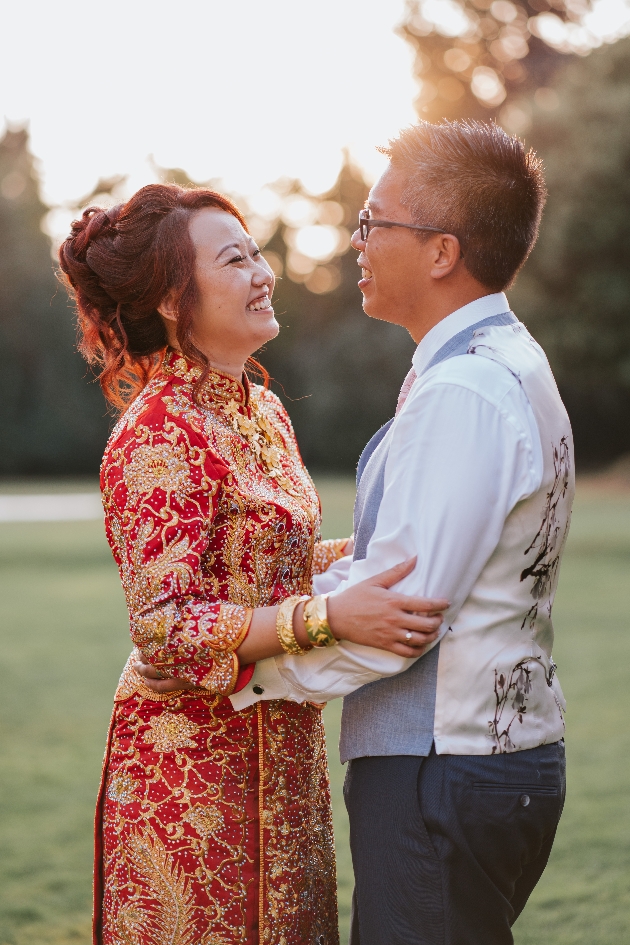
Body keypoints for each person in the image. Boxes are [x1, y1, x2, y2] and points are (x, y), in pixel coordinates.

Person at [58, 183, 447, 945]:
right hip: (190, 779)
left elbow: (279, 562)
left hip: (285, 763)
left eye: (257, 251)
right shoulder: (157, 434)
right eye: (234, 259)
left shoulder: (261, 411)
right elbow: (164, 627)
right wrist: (329, 617)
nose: (262, 272)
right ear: (174, 298)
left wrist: (392, 546)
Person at [227, 121, 574, 945]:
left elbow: (400, 620)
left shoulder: (466, 390)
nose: (357, 241)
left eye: (373, 222)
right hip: (491, 753)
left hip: (441, 767)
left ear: (442, 250)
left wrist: (235, 660)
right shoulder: (508, 359)